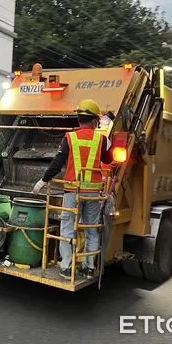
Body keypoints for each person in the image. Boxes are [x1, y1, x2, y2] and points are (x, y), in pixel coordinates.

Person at [32, 99, 113, 280]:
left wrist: (42, 181)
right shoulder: (102, 140)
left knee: (67, 229)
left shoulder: (69, 137)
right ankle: (89, 267)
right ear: (94, 121)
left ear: (79, 119)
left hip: (71, 191)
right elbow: (108, 160)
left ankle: (67, 267)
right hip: (92, 194)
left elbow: (58, 163)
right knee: (91, 229)